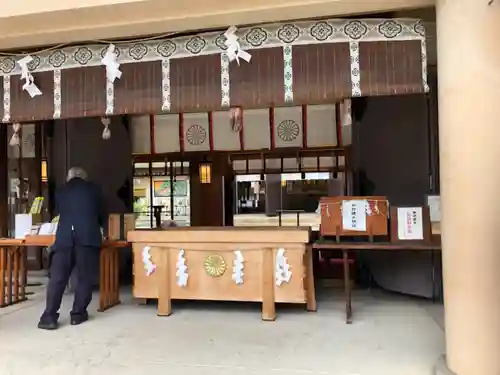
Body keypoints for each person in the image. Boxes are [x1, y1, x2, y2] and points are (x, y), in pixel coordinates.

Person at [38, 167, 107, 330]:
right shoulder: (95, 190)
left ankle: (49, 317)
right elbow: (102, 215)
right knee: (84, 277)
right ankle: (77, 315)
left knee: (57, 279)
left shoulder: (61, 191)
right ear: (85, 178)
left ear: (69, 177)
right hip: (88, 238)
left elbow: (59, 212)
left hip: (65, 238)